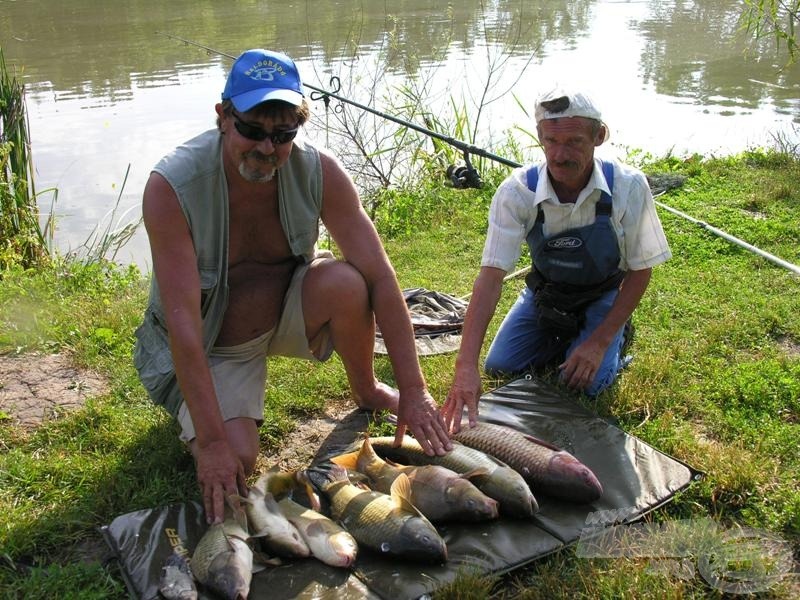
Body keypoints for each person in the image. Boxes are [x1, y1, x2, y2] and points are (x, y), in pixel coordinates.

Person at [133, 49, 451, 524]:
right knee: (237, 459)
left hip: (280, 312)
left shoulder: (319, 170)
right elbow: (183, 326)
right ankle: (202, 421)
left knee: (348, 281)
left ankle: (366, 389)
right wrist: (214, 445)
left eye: (283, 135)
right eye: (253, 131)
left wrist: (414, 388)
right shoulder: (171, 186)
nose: (267, 148)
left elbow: (382, 278)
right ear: (223, 117)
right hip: (211, 343)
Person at [442, 88, 671, 433]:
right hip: (546, 292)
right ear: (540, 139)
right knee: (500, 365)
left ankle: (612, 336)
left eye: (575, 142)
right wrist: (465, 366)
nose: (560, 156)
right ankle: (568, 336)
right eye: (551, 142)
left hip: (604, 293)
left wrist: (598, 342)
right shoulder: (517, 191)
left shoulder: (628, 186)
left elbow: (641, 270)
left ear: (599, 137)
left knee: (590, 384)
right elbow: (490, 277)